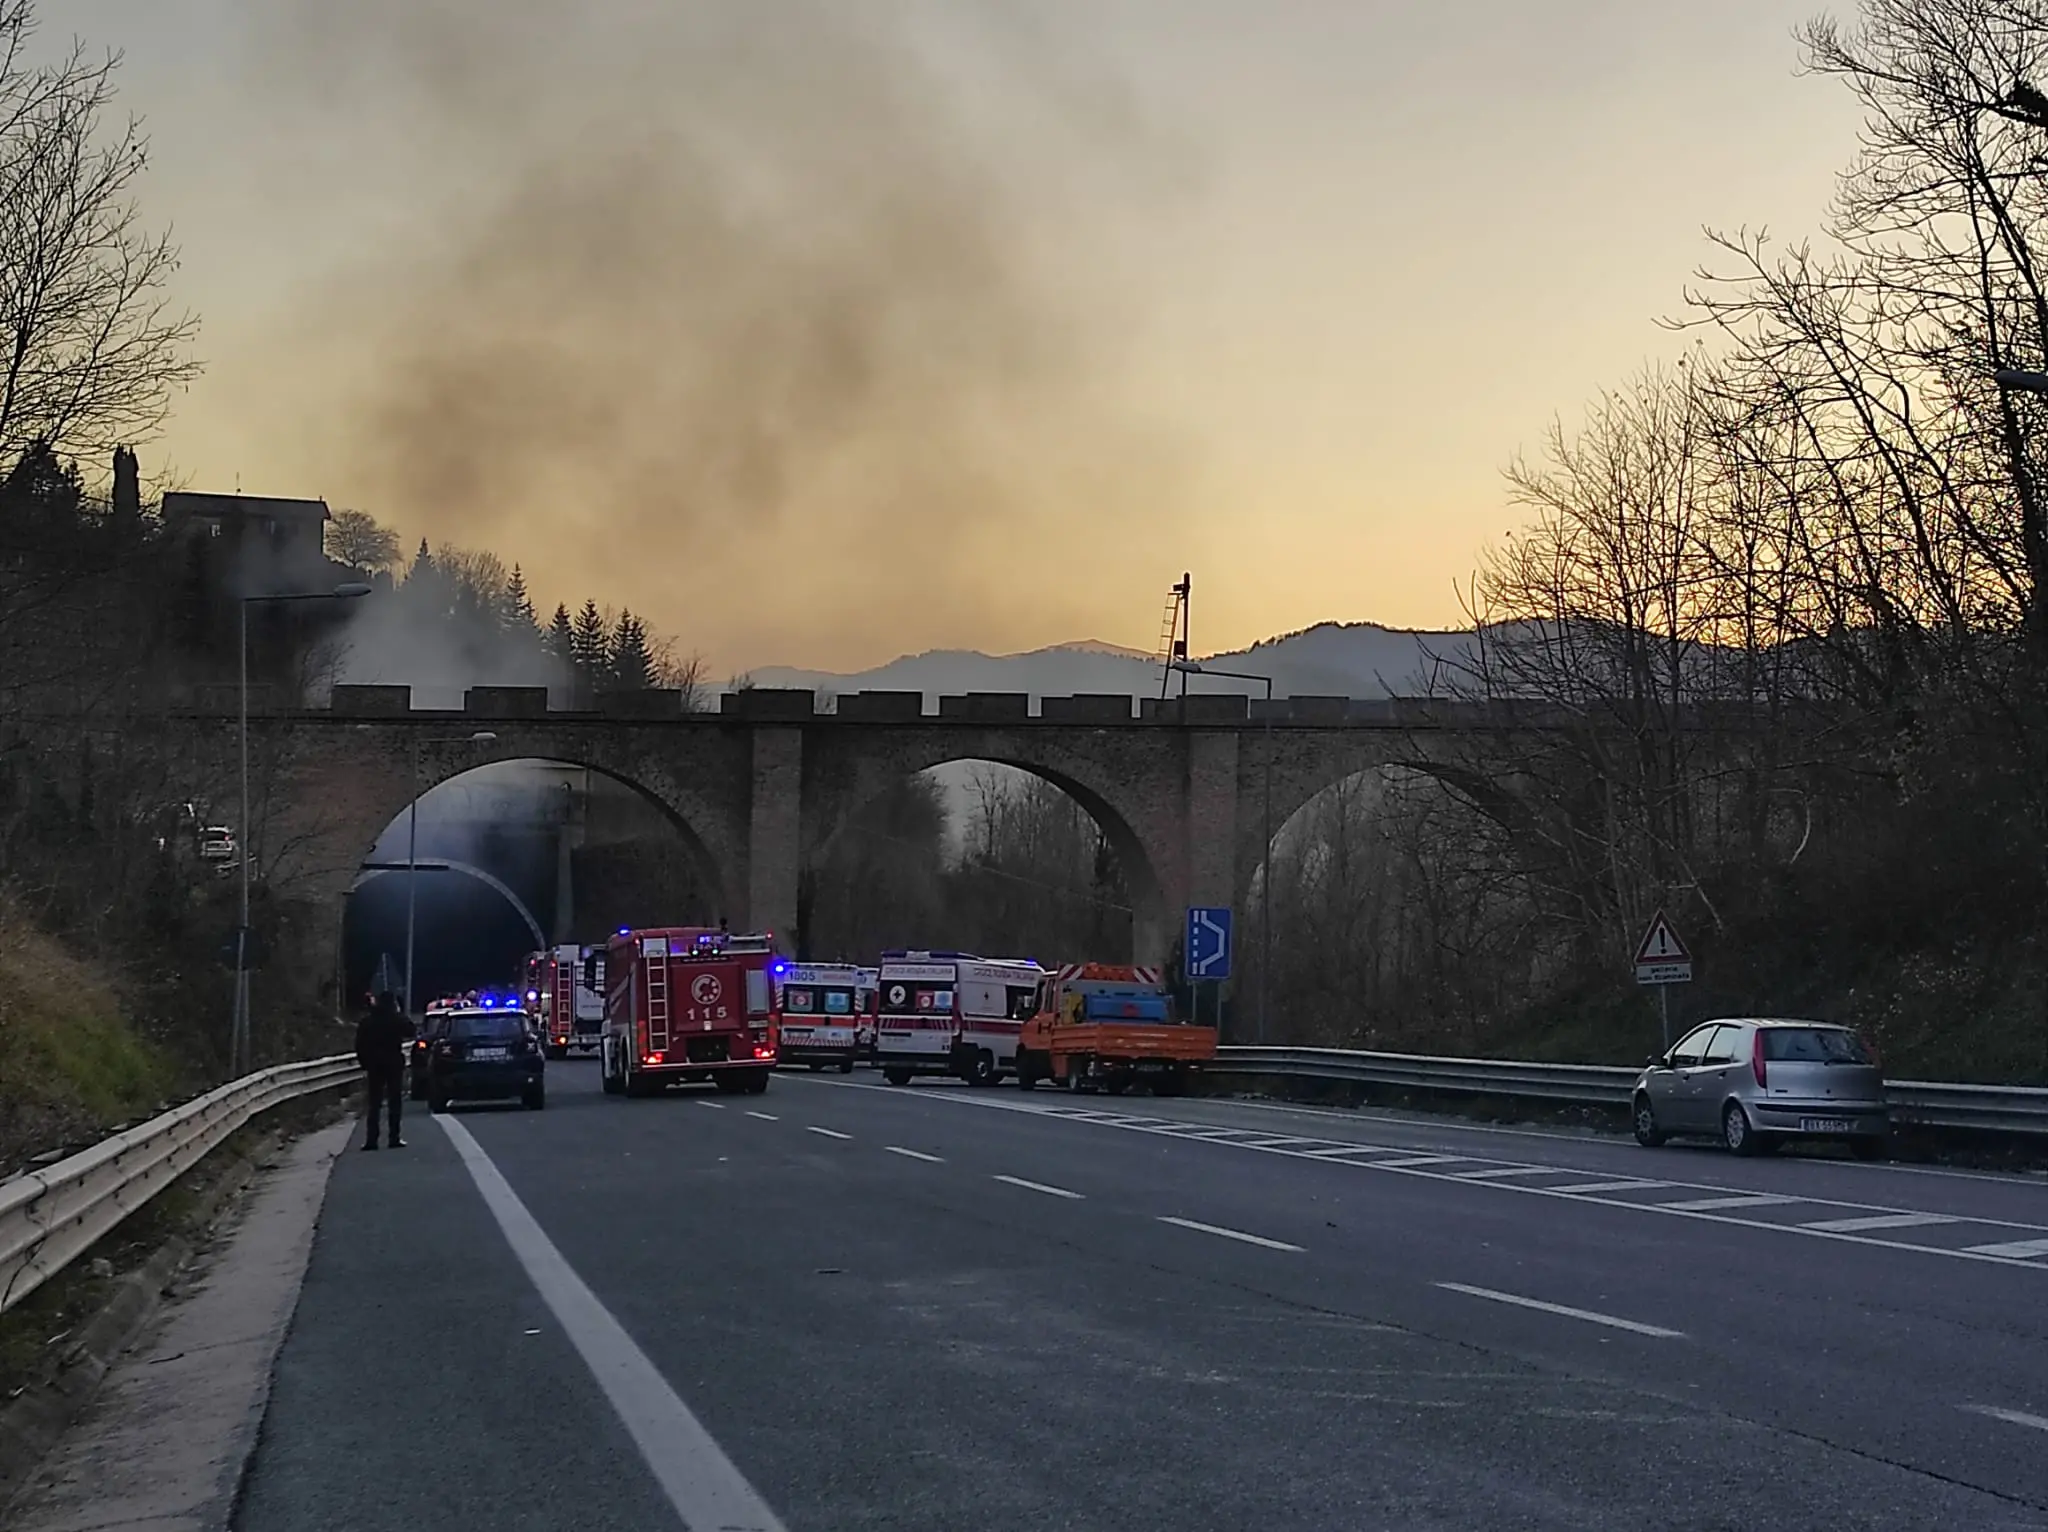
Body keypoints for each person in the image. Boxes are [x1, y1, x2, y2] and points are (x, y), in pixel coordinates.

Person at [354, 990, 413, 1150]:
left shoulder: (367, 1021)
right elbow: (411, 1031)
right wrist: (400, 1013)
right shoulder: (396, 1019)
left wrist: (364, 1063)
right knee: (395, 1101)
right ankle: (394, 1137)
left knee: (374, 1102)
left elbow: (359, 1044)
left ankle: (371, 1140)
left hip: (374, 1064)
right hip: (393, 1062)